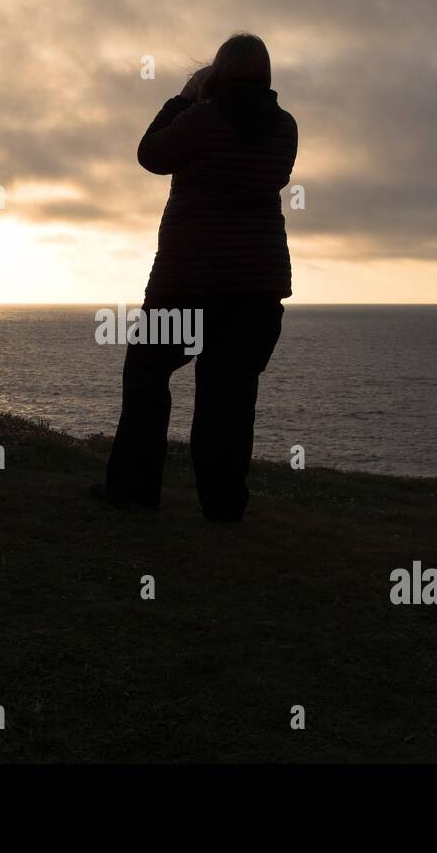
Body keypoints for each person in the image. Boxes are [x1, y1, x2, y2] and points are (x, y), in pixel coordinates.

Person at [92, 33, 298, 522]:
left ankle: (135, 489)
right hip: (256, 288)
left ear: (218, 73)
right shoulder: (285, 128)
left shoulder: (202, 118)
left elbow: (150, 154)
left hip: (188, 285)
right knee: (228, 395)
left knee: (146, 371)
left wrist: (184, 96)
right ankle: (224, 506)